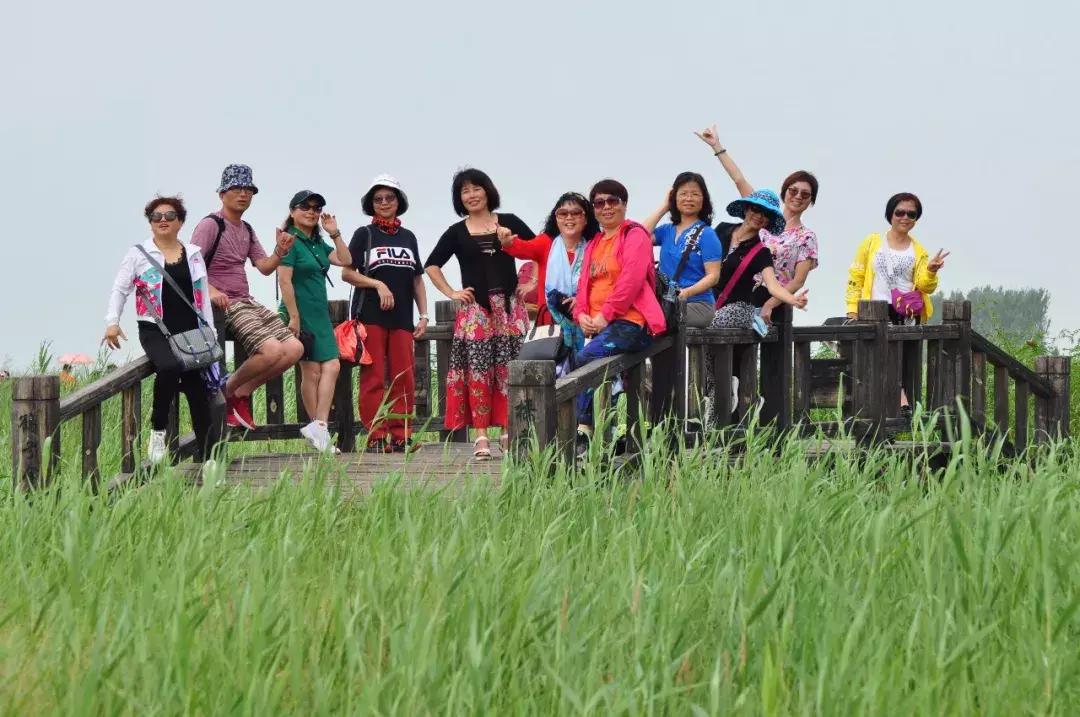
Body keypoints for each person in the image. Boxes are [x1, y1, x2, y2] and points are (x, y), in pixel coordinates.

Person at [424, 168, 534, 460]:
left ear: (488, 191)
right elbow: (432, 264)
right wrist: (451, 293)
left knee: (509, 370)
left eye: (476, 189)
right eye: (465, 191)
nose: (471, 195)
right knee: (477, 372)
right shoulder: (456, 232)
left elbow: (541, 250)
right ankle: (481, 435)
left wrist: (530, 282)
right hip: (476, 315)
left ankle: (508, 431)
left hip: (509, 312)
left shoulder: (509, 222)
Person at [189, 164, 304, 431]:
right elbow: (190, 265)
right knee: (272, 349)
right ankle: (224, 392)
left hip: (246, 299)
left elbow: (264, 267)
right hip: (225, 302)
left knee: (295, 349)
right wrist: (212, 291)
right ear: (222, 193)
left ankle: (237, 394)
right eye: (237, 188)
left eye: (248, 190)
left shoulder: (247, 229)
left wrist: (280, 251)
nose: (243, 194)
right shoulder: (210, 225)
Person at [103, 196, 215, 462]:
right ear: (150, 222)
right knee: (168, 367)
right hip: (155, 329)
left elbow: (202, 294)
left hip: (190, 331)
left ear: (181, 221)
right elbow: (120, 289)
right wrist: (112, 322)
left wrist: (209, 331)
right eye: (156, 216)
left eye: (169, 215)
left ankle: (209, 458)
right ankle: (158, 434)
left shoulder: (194, 254)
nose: (163, 220)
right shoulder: (138, 254)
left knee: (198, 392)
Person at [572, 179, 667, 452]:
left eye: (612, 201)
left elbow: (631, 280)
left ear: (624, 204)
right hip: (601, 325)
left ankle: (584, 429)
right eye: (599, 203)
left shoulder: (634, 235)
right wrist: (582, 315)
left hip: (632, 323)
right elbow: (583, 285)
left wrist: (605, 315)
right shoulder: (595, 242)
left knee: (587, 359)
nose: (606, 207)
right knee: (593, 368)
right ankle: (608, 429)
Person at [696, 126, 820, 325]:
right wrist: (717, 146)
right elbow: (739, 179)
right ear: (784, 191)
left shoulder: (806, 236)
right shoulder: (760, 214)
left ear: (811, 201)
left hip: (774, 303)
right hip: (736, 293)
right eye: (793, 190)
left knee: (769, 354)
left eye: (805, 194)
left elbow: (797, 280)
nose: (798, 197)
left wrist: (770, 304)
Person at [342, 175, 430, 454]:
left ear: (398, 201)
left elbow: (417, 279)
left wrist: (425, 315)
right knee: (374, 376)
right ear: (371, 204)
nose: (384, 203)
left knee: (404, 376)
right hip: (371, 316)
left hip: (403, 317)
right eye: (378, 199)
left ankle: (401, 434)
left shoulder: (409, 237)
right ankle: (376, 435)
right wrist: (378, 284)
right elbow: (347, 273)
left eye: (389, 198)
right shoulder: (364, 234)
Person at [708, 190, 809, 422]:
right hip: (711, 303)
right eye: (755, 209)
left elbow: (773, 285)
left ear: (769, 221)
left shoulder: (761, 251)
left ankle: (731, 391)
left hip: (740, 307)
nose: (758, 216)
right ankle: (720, 397)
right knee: (704, 344)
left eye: (765, 214)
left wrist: (793, 299)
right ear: (746, 209)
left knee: (712, 325)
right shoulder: (722, 230)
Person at [846, 192, 947, 415]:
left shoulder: (919, 251)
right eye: (899, 212)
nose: (905, 217)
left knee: (898, 362)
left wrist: (930, 271)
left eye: (911, 214)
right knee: (879, 360)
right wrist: (853, 309)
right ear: (890, 214)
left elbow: (924, 286)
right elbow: (856, 276)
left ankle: (898, 407)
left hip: (905, 313)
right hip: (873, 310)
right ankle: (898, 405)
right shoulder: (872, 242)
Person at [640, 172, 724, 422]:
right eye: (683, 193)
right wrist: (663, 205)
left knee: (660, 331)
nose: (689, 198)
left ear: (704, 200)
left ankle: (666, 408)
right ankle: (658, 408)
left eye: (695, 194)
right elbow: (640, 236)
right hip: (668, 306)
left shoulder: (707, 234)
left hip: (697, 305)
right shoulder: (667, 231)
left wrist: (684, 294)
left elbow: (713, 276)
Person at [277, 190, 352, 451]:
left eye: (316, 208)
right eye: (305, 207)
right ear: (292, 211)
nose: (311, 212)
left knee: (332, 366)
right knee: (312, 370)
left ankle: (319, 427)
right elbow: (284, 280)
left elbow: (346, 260)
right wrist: (294, 317)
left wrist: (334, 232)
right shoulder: (289, 241)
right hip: (298, 312)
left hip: (319, 313)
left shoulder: (317, 243)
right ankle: (319, 430)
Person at [498, 191, 600, 354]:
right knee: (555, 375)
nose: (569, 217)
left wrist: (581, 299)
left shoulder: (596, 246)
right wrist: (507, 242)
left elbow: (602, 284)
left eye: (576, 213)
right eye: (562, 213)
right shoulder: (546, 243)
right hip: (550, 323)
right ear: (556, 218)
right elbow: (523, 248)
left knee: (589, 371)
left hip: (587, 320)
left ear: (586, 218)